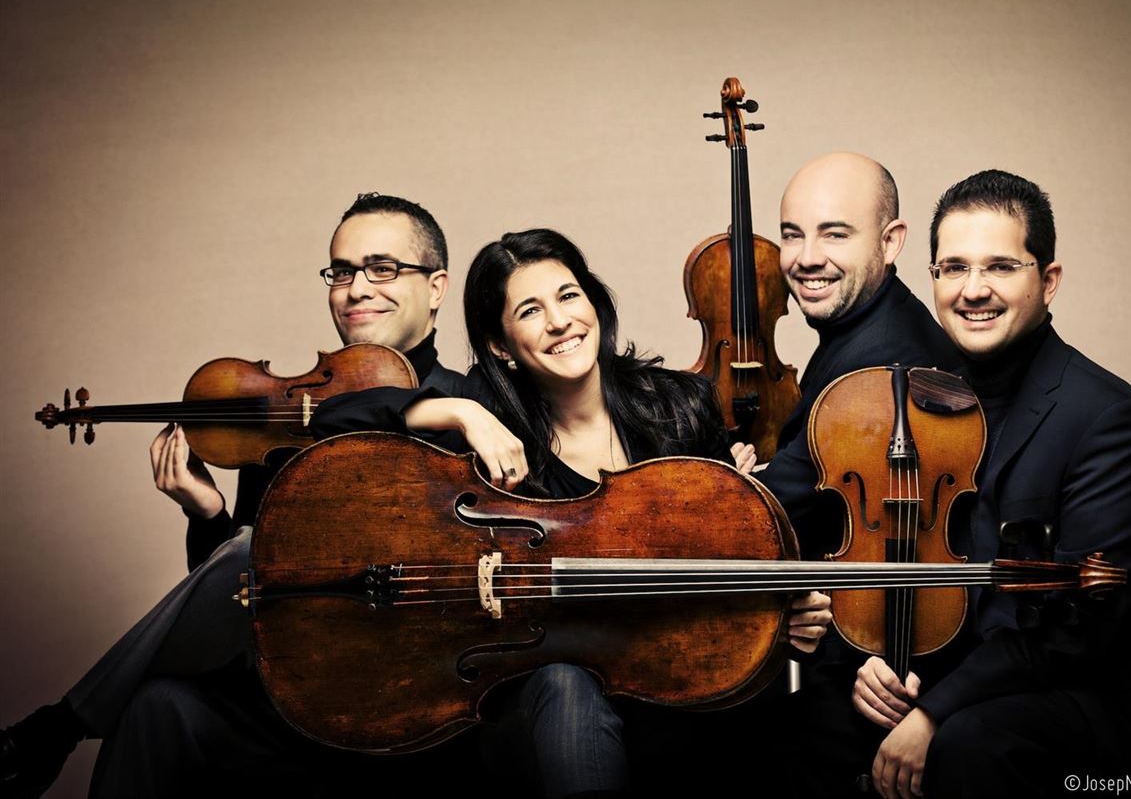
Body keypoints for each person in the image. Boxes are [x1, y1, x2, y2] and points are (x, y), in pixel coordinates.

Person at [0, 192, 464, 798]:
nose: (355, 289)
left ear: (436, 287)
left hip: (410, 704)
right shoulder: (289, 419)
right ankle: (59, 731)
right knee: (157, 705)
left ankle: (56, 728)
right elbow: (229, 599)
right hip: (286, 704)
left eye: (382, 269)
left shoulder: (474, 408)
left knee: (258, 550)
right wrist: (207, 513)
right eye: (341, 272)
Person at [362, 228, 833, 798]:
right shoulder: (488, 430)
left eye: (568, 295)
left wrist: (785, 618)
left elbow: (723, 570)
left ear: (593, 302)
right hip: (546, 701)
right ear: (500, 345)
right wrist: (461, 413)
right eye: (530, 310)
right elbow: (339, 417)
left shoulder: (681, 407)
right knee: (566, 688)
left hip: (672, 686)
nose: (560, 321)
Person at [794, 170, 1131, 798]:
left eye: (1000, 267)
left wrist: (933, 712)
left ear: (1048, 281)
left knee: (969, 743)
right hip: (949, 678)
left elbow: (1078, 632)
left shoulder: (1108, 419)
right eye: (953, 268)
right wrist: (874, 665)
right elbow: (894, 568)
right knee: (803, 723)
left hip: (1073, 707)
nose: (973, 290)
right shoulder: (911, 398)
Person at [750, 152, 960, 559]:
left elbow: (762, 516)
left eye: (834, 235)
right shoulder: (862, 324)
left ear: (890, 241)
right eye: (792, 235)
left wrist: (736, 481)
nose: (807, 258)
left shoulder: (880, 368)